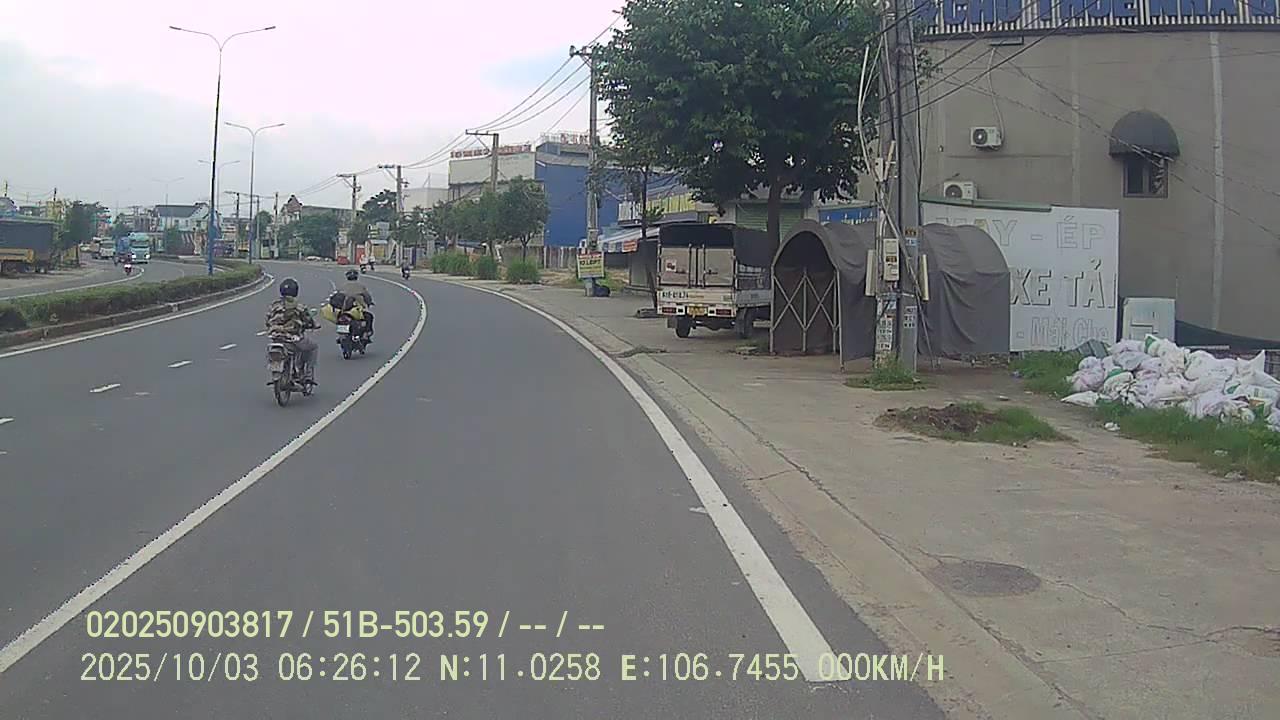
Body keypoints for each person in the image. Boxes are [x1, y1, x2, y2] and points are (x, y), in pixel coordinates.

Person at [265, 277, 319, 385]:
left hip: (276, 338)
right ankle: (308, 375)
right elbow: (308, 320)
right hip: (293, 339)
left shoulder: (274, 305)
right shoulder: (299, 306)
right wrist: (314, 325)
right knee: (313, 347)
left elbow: (268, 321)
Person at [340, 269, 374, 339]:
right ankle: (366, 332)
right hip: (358, 310)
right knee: (369, 317)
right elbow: (367, 296)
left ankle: (342, 334)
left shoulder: (343, 287)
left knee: (340, 318)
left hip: (346, 310)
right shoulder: (361, 286)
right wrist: (369, 302)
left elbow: (338, 297)